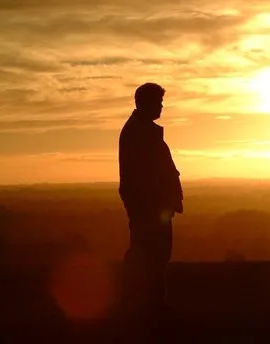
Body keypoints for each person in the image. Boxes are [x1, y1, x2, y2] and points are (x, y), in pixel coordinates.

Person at [118, 82, 183, 325]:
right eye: (158, 102)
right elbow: (144, 175)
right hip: (150, 207)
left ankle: (147, 304)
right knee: (149, 254)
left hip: (153, 206)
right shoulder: (139, 132)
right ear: (144, 103)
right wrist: (158, 203)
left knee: (152, 254)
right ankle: (145, 306)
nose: (161, 106)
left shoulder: (141, 130)